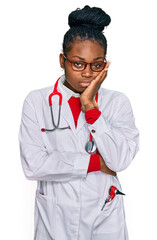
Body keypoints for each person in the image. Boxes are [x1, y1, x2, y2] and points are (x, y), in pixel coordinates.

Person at [18, 5, 139, 240]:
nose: (87, 73)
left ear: (105, 65)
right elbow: (32, 166)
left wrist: (91, 107)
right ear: (62, 60)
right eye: (78, 63)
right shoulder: (37, 101)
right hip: (54, 215)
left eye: (96, 64)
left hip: (104, 214)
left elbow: (120, 160)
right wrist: (94, 163)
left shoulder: (117, 102)